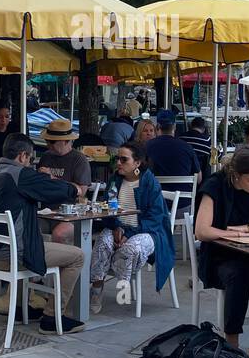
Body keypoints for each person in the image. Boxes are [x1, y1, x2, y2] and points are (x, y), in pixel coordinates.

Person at [0, 133, 88, 335]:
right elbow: (61, 190)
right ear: (22, 156)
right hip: (10, 256)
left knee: (24, 241)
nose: (30, 163)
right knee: (77, 256)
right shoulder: (20, 174)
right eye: (30, 159)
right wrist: (76, 190)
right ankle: (53, 317)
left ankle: (20, 309)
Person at [194, 145, 249, 348]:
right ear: (235, 174)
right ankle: (232, 343)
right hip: (220, 258)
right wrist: (234, 234)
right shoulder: (215, 187)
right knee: (239, 274)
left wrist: (248, 229)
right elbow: (202, 231)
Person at [89, 141, 174, 314]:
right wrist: (114, 227)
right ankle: (96, 289)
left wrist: (129, 233)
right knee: (103, 243)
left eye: (123, 159)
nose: (118, 163)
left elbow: (155, 218)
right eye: (117, 158)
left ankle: (123, 291)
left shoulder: (149, 182)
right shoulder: (114, 180)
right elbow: (107, 209)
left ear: (137, 163)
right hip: (119, 227)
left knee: (129, 249)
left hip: (148, 231)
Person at [37, 118, 91, 245]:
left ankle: (62, 263)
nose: (47, 144)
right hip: (46, 211)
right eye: (47, 141)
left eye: (51, 141)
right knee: (26, 229)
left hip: (71, 214)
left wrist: (52, 178)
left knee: (59, 234)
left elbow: (81, 192)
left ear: (65, 141)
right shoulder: (46, 156)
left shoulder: (79, 160)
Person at [146, 109, 203, 179]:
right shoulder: (187, 147)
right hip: (184, 189)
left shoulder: (148, 146)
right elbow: (199, 178)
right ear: (174, 126)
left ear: (157, 126)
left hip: (157, 189)